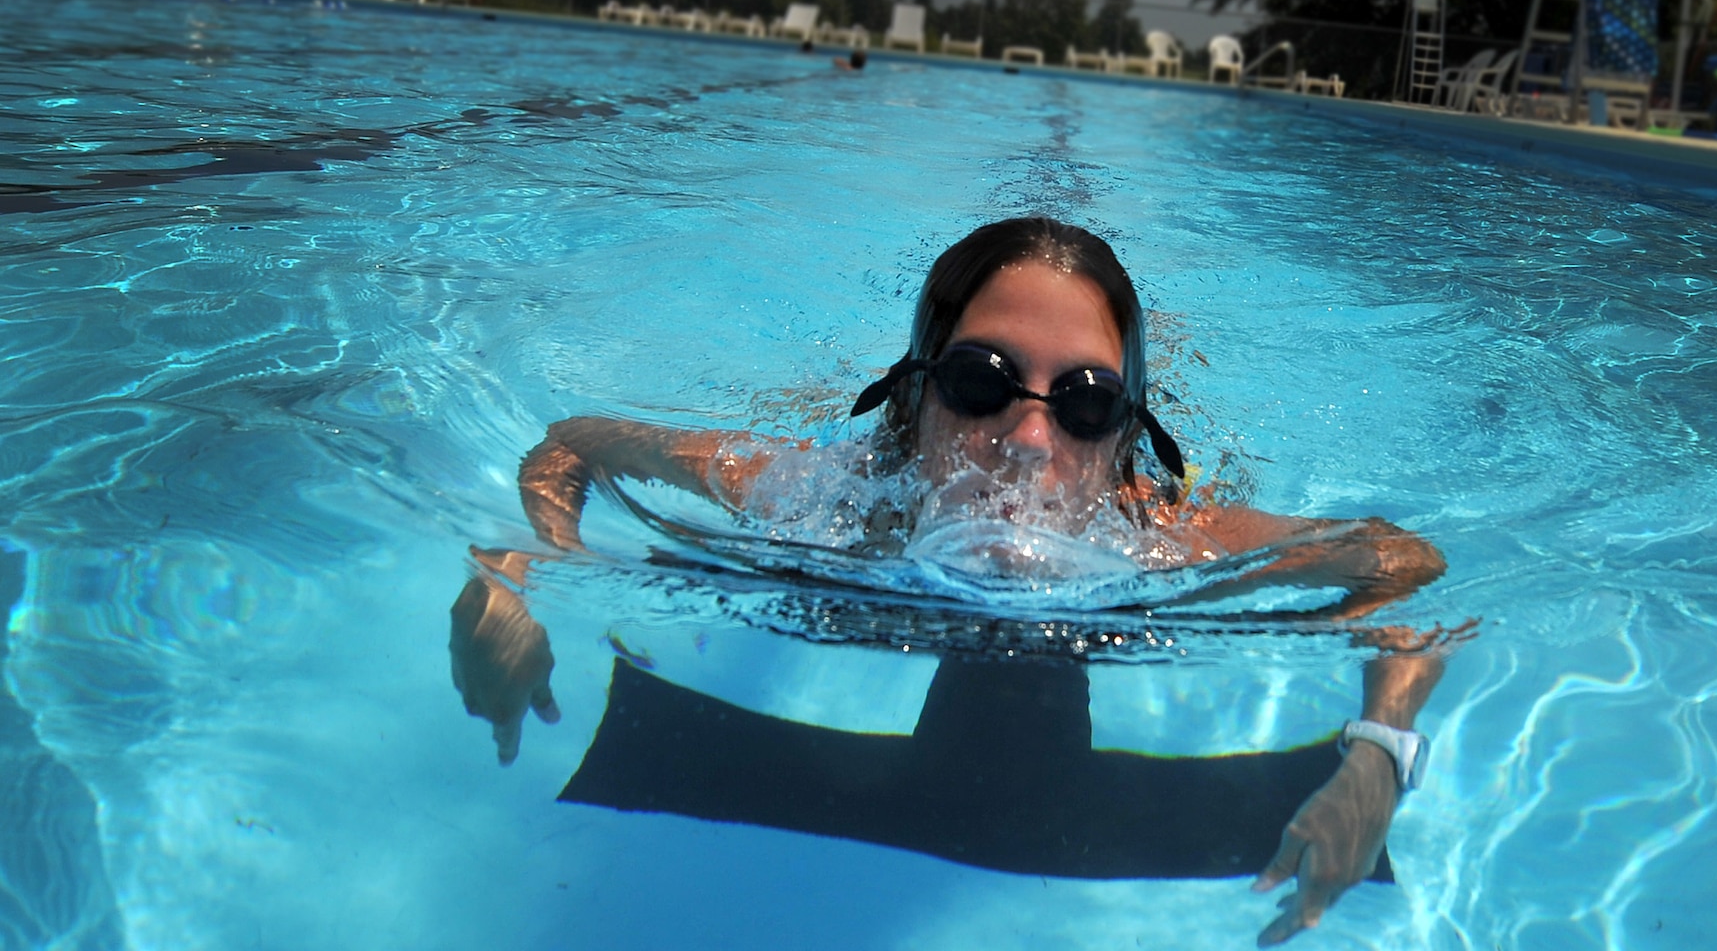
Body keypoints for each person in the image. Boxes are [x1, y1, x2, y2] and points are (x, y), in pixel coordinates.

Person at [453, 217, 1463, 944]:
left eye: (1085, 401)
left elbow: (1396, 557)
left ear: (1121, 440)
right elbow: (573, 444)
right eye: (981, 381)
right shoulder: (822, 496)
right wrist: (515, 576)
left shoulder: (1165, 534)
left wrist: (1378, 753)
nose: (1027, 437)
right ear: (914, 398)